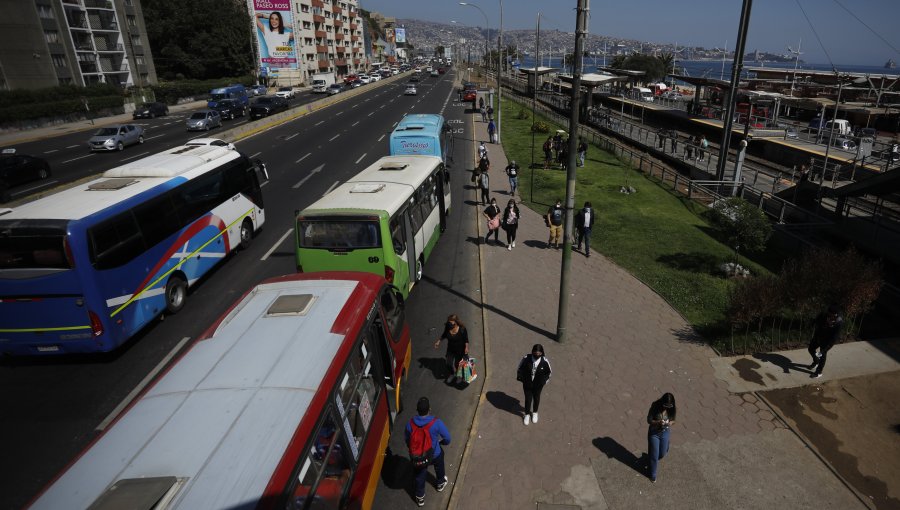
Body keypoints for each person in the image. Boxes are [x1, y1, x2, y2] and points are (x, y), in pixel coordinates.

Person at [405, 397, 451, 507]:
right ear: (429, 409)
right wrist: (441, 443)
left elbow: (407, 439)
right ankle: (440, 483)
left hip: (418, 457)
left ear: (417, 410)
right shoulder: (436, 423)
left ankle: (420, 498)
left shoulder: (410, 424)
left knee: (420, 475)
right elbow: (448, 438)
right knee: (439, 461)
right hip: (434, 454)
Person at [516, 343, 552, 426]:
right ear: (532, 352)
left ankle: (535, 412)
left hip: (538, 386)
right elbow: (519, 368)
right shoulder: (526, 358)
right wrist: (522, 379)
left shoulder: (545, 361)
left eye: (539, 353)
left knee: (536, 398)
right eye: (535, 353)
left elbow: (549, 373)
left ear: (542, 353)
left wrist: (544, 382)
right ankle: (527, 414)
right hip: (527, 384)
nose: (537, 355)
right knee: (528, 399)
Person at [646, 393, 676, 483]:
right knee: (654, 456)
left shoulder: (672, 408)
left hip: (665, 432)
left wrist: (670, 423)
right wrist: (658, 422)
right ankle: (653, 474)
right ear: (662, 402)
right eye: (665, 405)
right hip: (654, 433)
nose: (667, 407)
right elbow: (649, 420)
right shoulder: (655, 406)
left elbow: (674, 420)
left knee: (662, 454)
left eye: (669, 406)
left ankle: (665, 446)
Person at [807, 305, 843, 378]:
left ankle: (819, 372)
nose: (830, 317)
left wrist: (825, 350)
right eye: (829, 314)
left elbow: (834, 338)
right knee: (811, 349)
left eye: (833, 315)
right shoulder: (823, 315)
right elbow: (816, 321)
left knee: (822, 355)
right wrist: (813, 325)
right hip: (818, 336)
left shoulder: (838, 323)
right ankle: (816, 361)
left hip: (827, 341)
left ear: (836, 314)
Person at [433, 314, 469, 384]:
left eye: (451, 322)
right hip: (450, 349)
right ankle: (452, 374)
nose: (450, 323)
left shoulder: (462, 329)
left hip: (460, 350)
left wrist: (466, 347)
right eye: (449, 321)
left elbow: (466, 340)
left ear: (456, 322)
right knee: (448, 363)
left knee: (457, 364)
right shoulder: (448, 327)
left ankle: (459, 376)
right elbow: (444, 334)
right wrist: (438, 341)